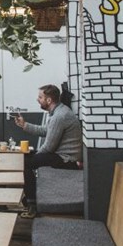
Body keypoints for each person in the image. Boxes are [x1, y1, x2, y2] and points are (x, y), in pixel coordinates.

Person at [14, 84, 82, 216]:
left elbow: (49, 147)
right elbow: (45, 131)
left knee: (25, 162)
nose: (37, 99)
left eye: (40, 97)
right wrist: (24, 125)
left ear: (49, 100)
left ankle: (32, 204)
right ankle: (30, 200)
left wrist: (35, 157)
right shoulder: (59, 111)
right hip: (60, 155)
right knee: (27, 158)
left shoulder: (59, 116)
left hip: (67, 159)